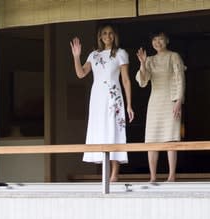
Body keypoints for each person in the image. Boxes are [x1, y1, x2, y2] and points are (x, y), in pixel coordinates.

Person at [70, 24, 134, 182]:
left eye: (111, 33)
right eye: (104, 33)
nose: (108, 36)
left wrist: (129, 104)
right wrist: (76, 56)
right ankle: (104, 171)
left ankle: (114, 173)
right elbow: (81, 73)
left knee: (113, 129)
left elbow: (125, 80)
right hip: (97, 97)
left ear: (115, 36)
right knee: (100, 129)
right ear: (100, 36)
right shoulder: (93, 55)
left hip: (113, 96)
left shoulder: (121, 53)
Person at [136, 32, 185, 182]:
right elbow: (143, 81)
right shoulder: (149, 59)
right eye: (155, 40)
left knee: (171, 138)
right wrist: (143, 63)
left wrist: (178, 100)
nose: (158, 42)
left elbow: (180, 79)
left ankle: (171, 175)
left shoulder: (174, 56)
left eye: (161, 39)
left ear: (167, 40)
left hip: (170, 100)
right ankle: (152, 177)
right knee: (152, 139)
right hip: (155, 102)